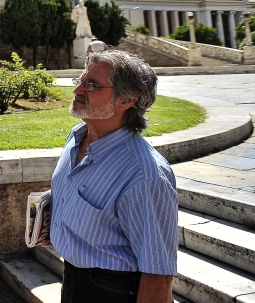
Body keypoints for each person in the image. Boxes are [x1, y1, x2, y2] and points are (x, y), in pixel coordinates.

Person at [48, 51, 177, 302]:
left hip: (111, 291)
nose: (77, 90)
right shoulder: (77, 137)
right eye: (81, 80)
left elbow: (159, 275)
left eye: (92, 85)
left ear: (127, 101)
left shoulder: (145, 176)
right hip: (73, 280)